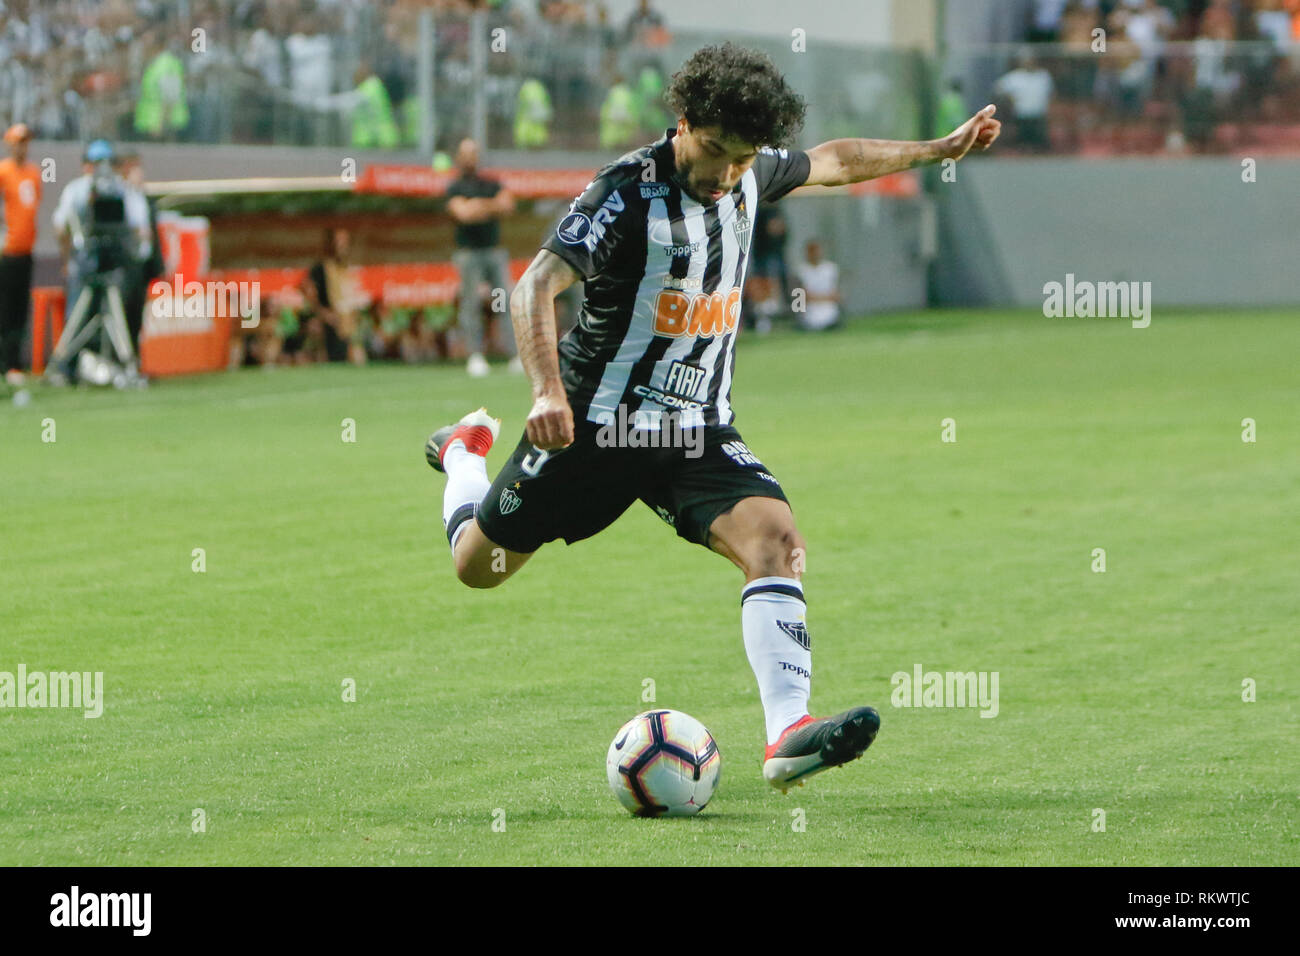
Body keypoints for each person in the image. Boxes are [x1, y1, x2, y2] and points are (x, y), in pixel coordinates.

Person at [423, 43, 1000, 792]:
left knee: (778, 538)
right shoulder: (622, 195)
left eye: (744, 159)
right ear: (684, 121)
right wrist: (543, 393)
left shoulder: (749, 169)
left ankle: (787, 732)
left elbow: (836, 159)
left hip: (696, 428)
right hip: (595, 425)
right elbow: (536, 286)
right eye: (718, 152)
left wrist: (939, 148)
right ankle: (464, 453)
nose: (728, 174)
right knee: (480, 566)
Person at [445, 138, 519, 377]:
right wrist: (490, 207)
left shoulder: (491, 183)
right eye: (465, 153)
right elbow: (462, 213)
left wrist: (477, 205)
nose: (470, 157)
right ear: (459, 157)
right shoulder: (455, 187)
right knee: (471, 304)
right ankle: (475, 355)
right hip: (468, 254)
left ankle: (514, 354)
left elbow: (507, 206)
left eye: (473, 153)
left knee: (504, 302)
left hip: (494, 251)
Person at [0, 124, 41, 384]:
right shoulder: (4, 171)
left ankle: (15, 363)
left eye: (25, 142)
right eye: (17, 141)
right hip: (7, 252)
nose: (21, 146)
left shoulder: (34, 173)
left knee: (19, 309)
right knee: (4, 308)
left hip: (26, 250)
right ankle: (4, 363)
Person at [794, 240, 841, 331]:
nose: (816, 254)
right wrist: (824, 297)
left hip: (828, 307)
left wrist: (816, 297)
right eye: (812, 251)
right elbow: (799, 297)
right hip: (809, 309)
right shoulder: (800, 271)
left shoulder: (831, 268)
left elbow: (836, 295)